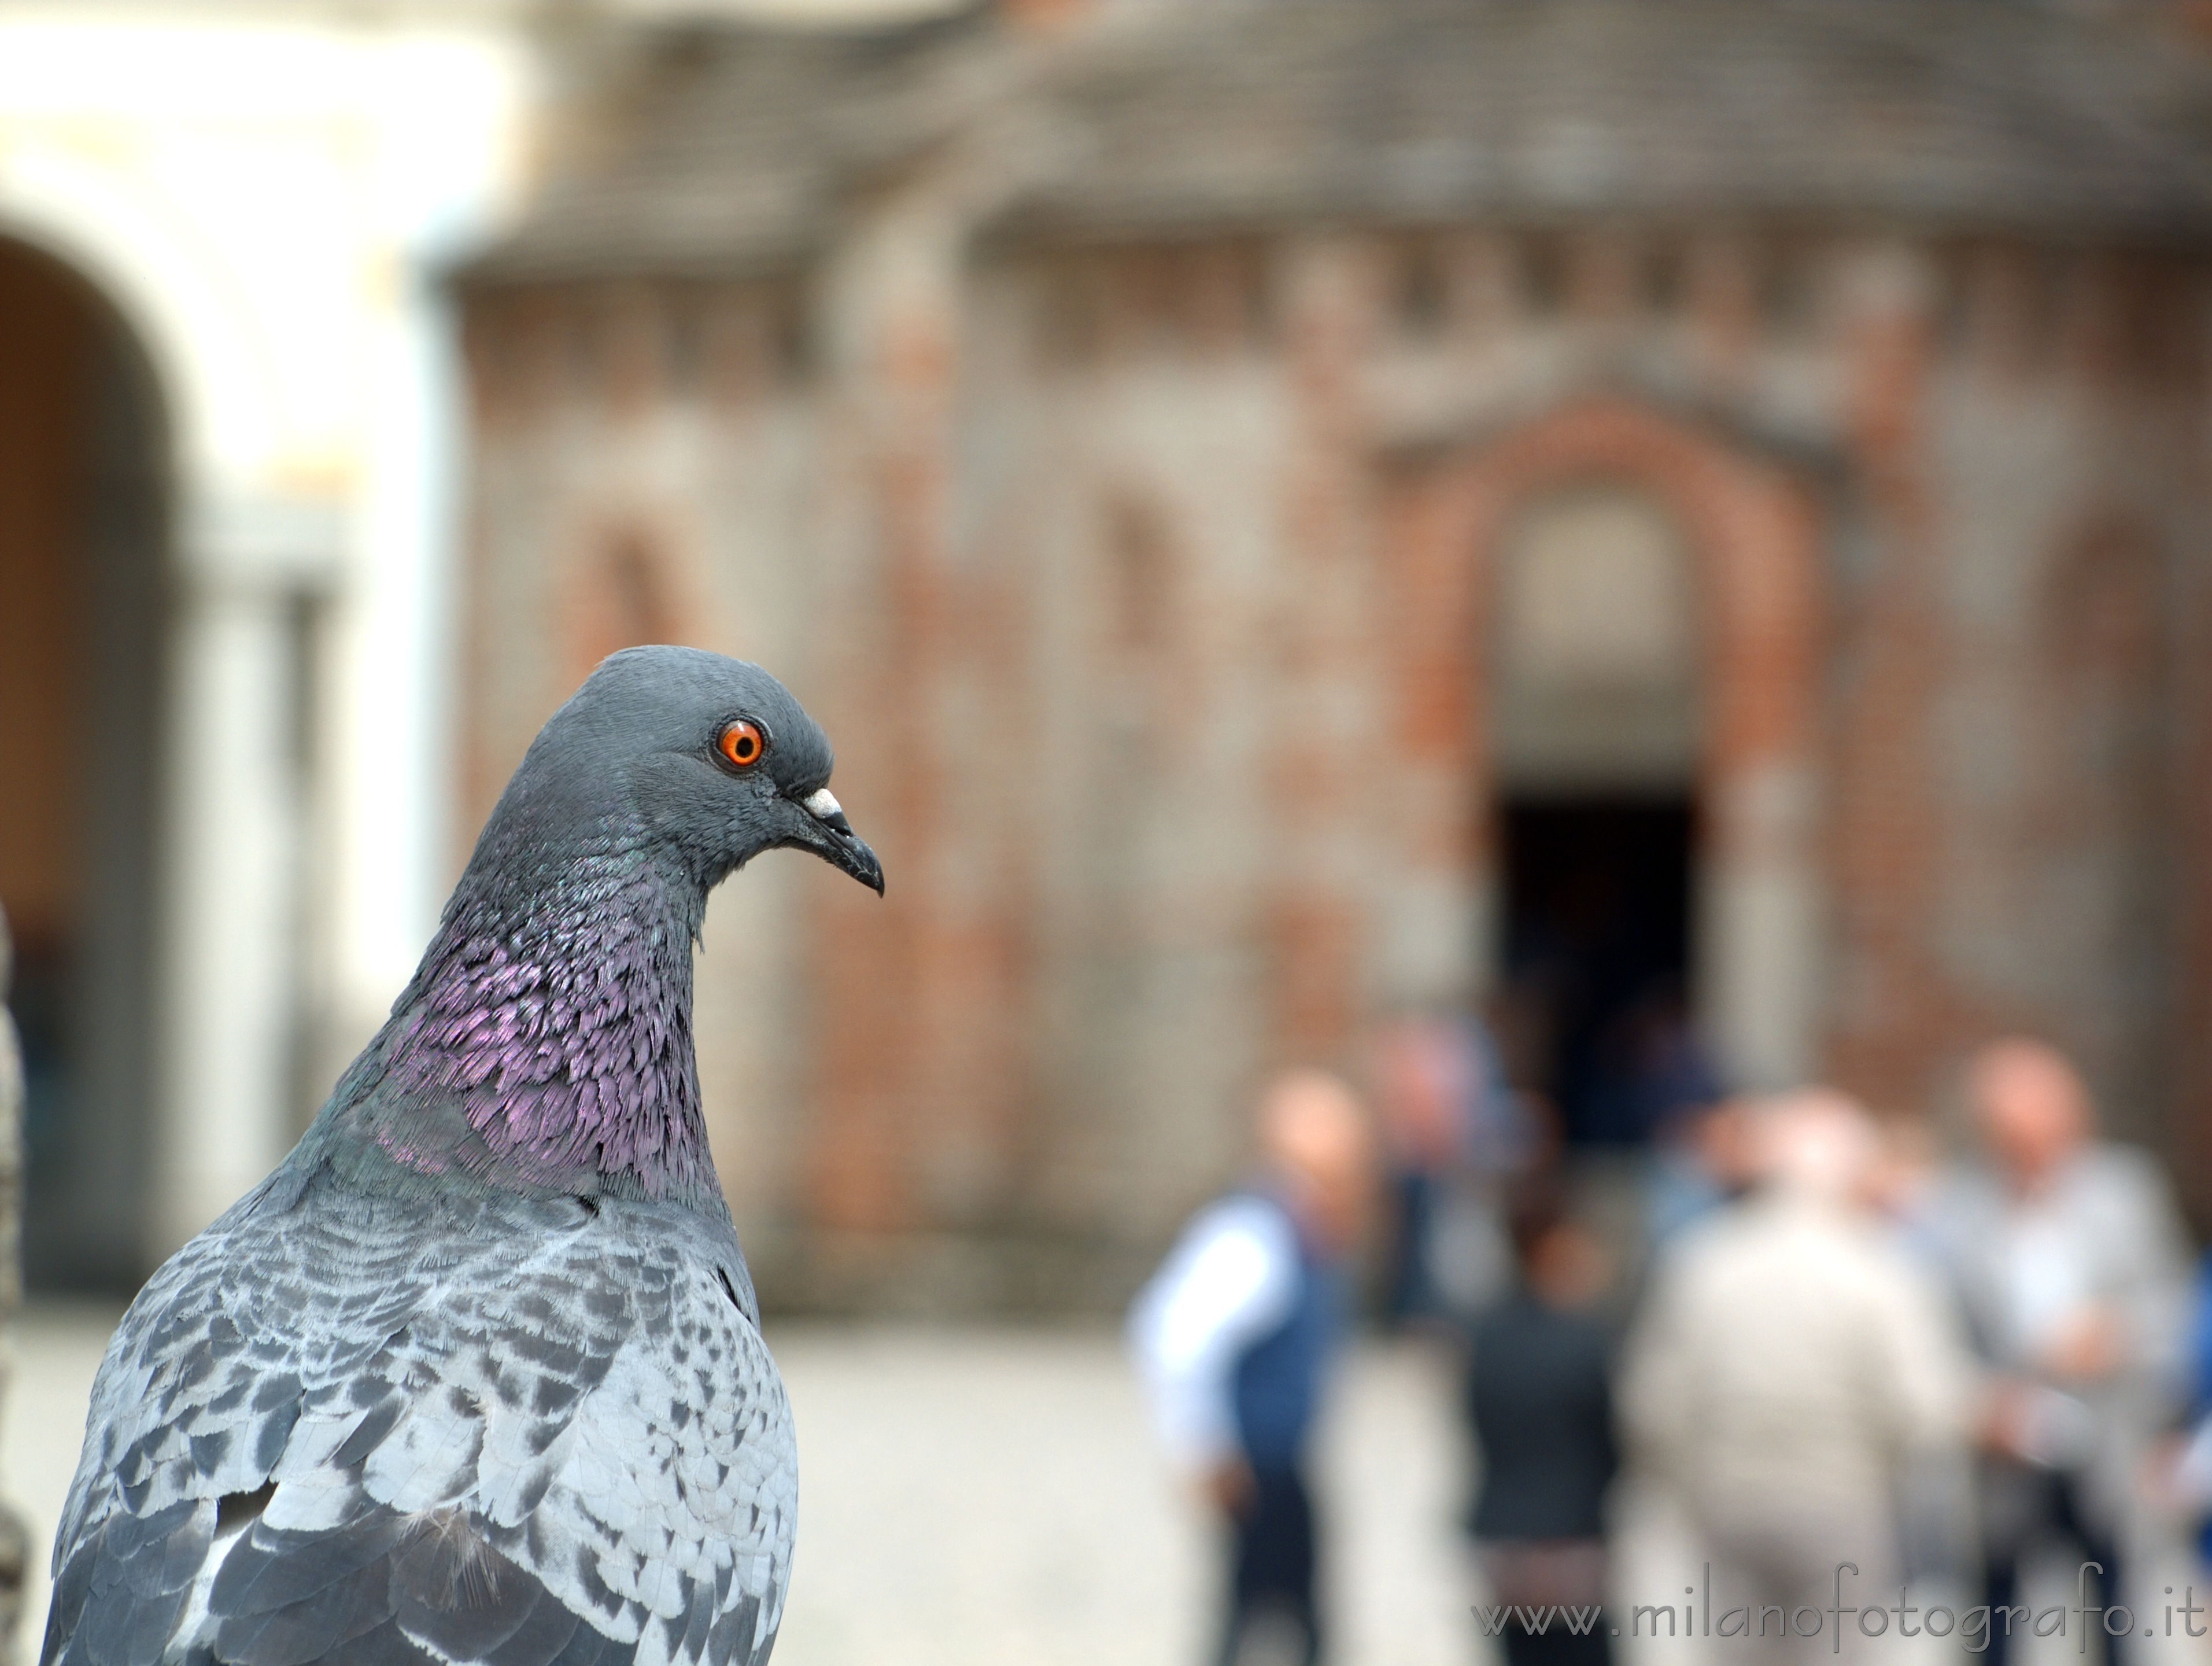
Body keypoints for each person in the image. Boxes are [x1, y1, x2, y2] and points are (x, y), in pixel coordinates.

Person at [1620, 1089, 1972, 1664]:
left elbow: (1653, 1402)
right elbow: (1925, 1410)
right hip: (1843, 1505)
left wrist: (1693, 1482)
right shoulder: (1879, 1270)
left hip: (1727, 1502)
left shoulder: (1703, 1261)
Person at [1929, 1039, 2192, 1666]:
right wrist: (1979, 1403)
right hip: (2011, 1449)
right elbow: (1937, 1336)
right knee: (1994, 1614)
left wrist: (2116, 1335)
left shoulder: (2124, 1192)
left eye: (2048, 1133)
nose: (2037, 1153)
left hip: (2104, 1439)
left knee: (2119, 1609)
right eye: (2016, 1137)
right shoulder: (1955, 1210)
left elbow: (2172, 1306)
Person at [1128, 1071, 1374, 1666]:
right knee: (1254, 1617)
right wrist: (1202, 1448)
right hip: (1258, 1461)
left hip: (1282, 1456)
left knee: (1286, 1612)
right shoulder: (1255, 1232)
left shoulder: (1297, 1225)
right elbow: (1174, 1336)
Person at [1464, 1180, 1618, 1666]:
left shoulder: (1486, 1337)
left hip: (1505, 1542)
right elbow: (1609, 1441)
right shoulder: (1581, 1342)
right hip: (1571, 1542)